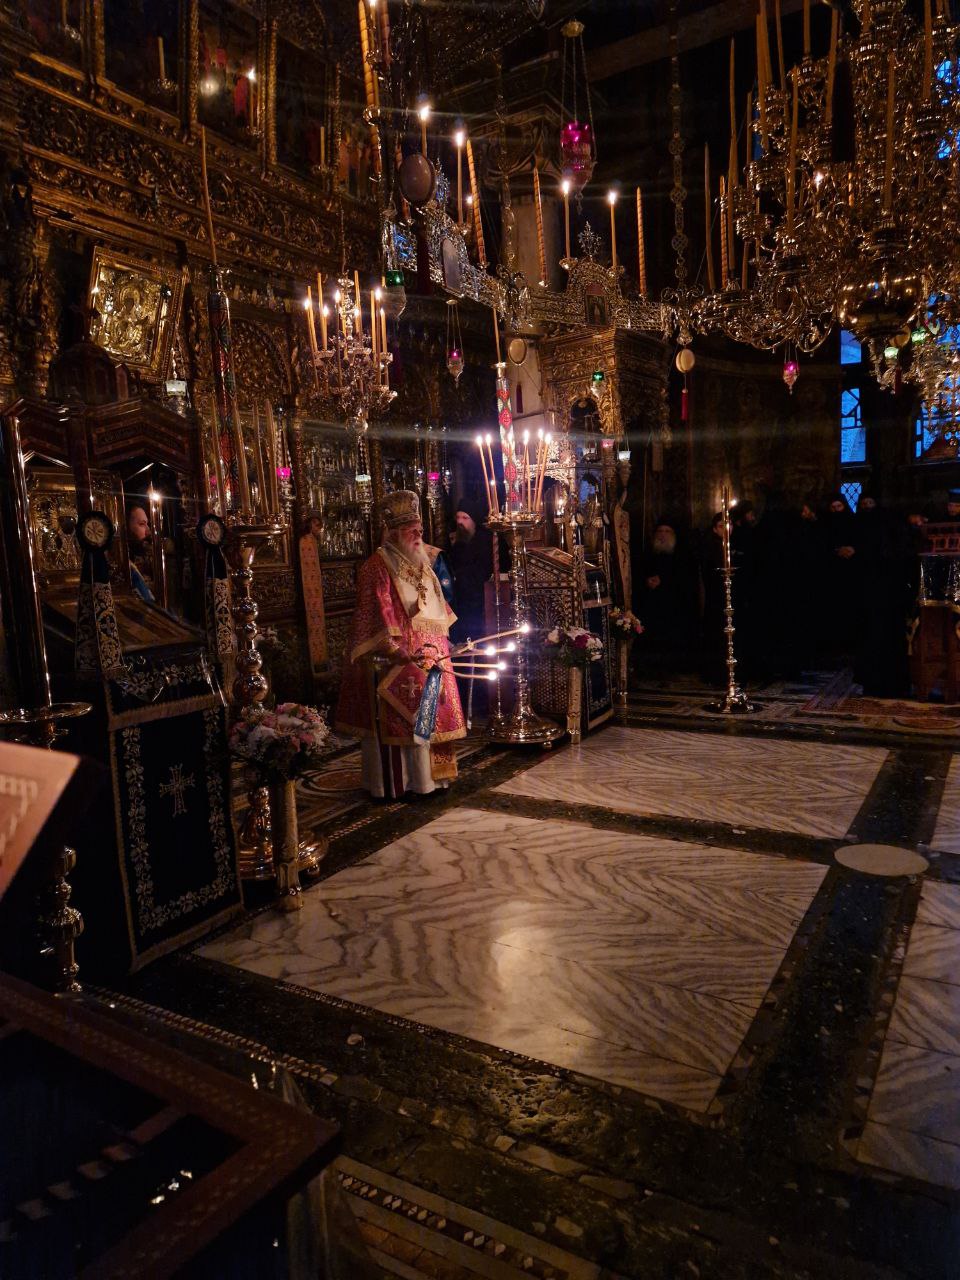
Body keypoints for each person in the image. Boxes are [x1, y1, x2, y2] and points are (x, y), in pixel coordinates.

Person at [335, 490, 466, 799]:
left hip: (433, 657)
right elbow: (374, 614)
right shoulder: (377, 566)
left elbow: (437, 609)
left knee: (434, 718)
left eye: (420, 530)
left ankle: (433, 780)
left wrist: (447, 643)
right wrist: (395, 650)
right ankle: (403, 784)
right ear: (394, 532)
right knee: (404, 719)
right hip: (398, 661)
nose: (419, 535)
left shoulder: (423, 564)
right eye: (412, 531)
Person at [446, 498, 492, 644]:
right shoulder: (456, 540)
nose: (460, 522)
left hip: (479, 601)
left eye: (465, 518)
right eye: (458, 517)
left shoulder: (484, 540)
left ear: (474, 521)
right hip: (459, 601)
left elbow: (481, 571)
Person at [126, 503, 155, 603]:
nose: (148, 530)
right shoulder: (128, 566)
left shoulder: (148, 556)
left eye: (147, 524)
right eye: (142, 524)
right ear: (127, 527)